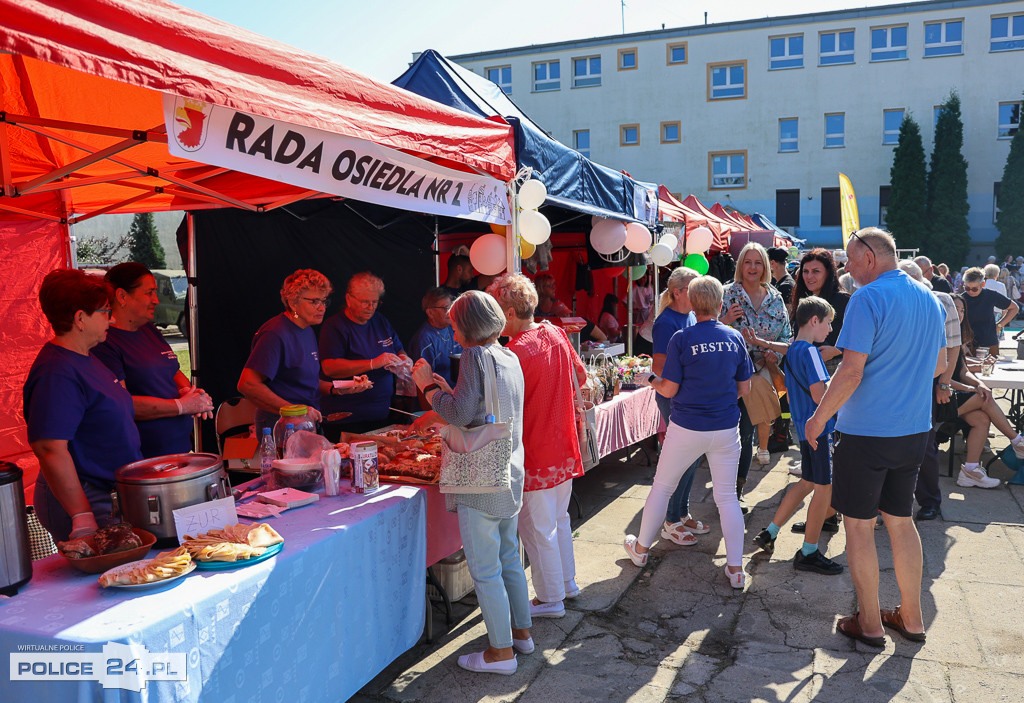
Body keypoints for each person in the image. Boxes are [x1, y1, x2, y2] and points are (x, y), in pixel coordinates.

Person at [806, 227, 945, 648]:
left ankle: (869, 623)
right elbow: (940, 365)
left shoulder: (868, 297)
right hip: (913, 429)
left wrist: (817, 418)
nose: (846, 268)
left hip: (868, 432)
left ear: (869, 257)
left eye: (849, 259)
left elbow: (850, 371)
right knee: (901, 523)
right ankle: (912, 616)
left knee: (860, 528)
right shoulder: (930, 297)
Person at [411, 290, 531, 675]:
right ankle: (521, 634)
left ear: (464, 325)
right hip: (509, 471)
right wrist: (447, 393)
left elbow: (462, 415)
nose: (452, 330)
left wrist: (427, 387)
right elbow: (482, 409)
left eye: (454, 323)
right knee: (510, 558)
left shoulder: (476, 356)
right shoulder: (508, 355)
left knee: (485, 569)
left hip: (482, 477)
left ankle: (500, 653)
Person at [624, 276, 754, 589]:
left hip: (687, 426)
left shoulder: (681, 338)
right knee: (726, 498)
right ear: (720, 304)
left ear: (693, 304)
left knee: (662, 486)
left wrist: (650, 380)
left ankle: (640, 550)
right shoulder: (734, 337)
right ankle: (735, 569)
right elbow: (744, 387)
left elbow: (668, 389)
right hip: (725, 428)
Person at [487, 273, 586, 620]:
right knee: (557, 520)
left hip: (536, 449)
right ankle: (565, 585)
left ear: (510, 312)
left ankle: (550, 598)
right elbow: (582, 377)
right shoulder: (555, 332)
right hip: (561, 444)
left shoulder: (513, 352)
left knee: (538, 527)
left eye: (495, 309)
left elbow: (495, 409)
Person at [24, 269, 142, 542]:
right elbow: (50, 449)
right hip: (87, 496)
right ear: (80, 318)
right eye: (104, 311)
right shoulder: (57, 372)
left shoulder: (85, 356)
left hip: (108, 492)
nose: (110, 319)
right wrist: (81, 515)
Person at [746, 297, 844, 575]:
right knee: (823, 489)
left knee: (807, 483)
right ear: (814, 320)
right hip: (820, 429)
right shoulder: (811, 353)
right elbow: (820, 395)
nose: (829, 330)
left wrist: (764, 343)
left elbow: (787, 350)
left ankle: (770, 532)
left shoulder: (796, 350)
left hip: (803, 428)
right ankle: (809, 552)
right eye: (827, 323)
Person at [93, 262, 212, 458]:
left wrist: (190, 393)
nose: (156, 300)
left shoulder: (147, 328)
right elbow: (122, 403)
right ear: (122, 296)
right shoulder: (105, 341)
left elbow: (172, 369)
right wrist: (181, 406)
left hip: (177, 448)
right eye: (149, 293)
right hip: (143, 455)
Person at [239, 269, 368, 437]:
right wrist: (294, 411)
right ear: (293, 302)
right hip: (281, 425)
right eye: (314, 301)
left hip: (304, 422)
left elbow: (302, 381)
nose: (322, 308)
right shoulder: (275, 334)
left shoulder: (306, 330)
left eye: (324, 301)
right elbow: (247, 385)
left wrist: (338, 388)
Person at [721, 242, 792, 497]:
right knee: (734, 431)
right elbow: (705, 328)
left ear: (766, 266)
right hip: (729, 376)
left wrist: (775, 352)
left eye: (758, 262)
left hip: (762, 373)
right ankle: (729, 486)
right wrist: (725, 320)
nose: (753, 267)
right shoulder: (727, 294)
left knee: (747, 429)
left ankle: (736, 488)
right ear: (741, 265)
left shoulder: (775, 298)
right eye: (748, 262)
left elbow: (788, 336)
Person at [650, 266, 713, 545]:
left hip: (687, 397)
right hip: (674, 397)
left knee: (691, 458)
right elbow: (660, 368)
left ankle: (681, 512)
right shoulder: (666, 322)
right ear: (678, 292)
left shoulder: (688, 316)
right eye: (692, 287)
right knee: (683, 459)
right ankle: (672, 520)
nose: (698, 291)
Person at [898, 260, 962, 521]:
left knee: (924, 443)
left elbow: (953, 345)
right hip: (894, 383)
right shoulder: (893, 301)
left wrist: (944, 382)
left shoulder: (942, 301)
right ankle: (889, 501)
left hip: (927, 383)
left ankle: (929, 501)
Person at [947, 294, 1024, 489]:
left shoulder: (956, 335)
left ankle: (970, 471)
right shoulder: (940, 336)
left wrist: (978, 383)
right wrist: (972, 387)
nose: (960, 313)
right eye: (955, 308)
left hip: (953, 396)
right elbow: (940, 377)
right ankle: (1017, 441)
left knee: (982, 418)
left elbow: (962, 370)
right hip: (938, 399)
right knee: (984, 397)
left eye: (963, 309)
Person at [319, 271, 406, 437]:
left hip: (381, 413)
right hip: (347, 418)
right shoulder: (334, 327)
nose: (370, 307)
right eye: (365, 302)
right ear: (349, 299)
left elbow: (398, 348)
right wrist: (372, 363)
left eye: (375, 302)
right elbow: (329, 367)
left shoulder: (380, 321)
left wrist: (404, 358)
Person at [790, 248, 849, 375]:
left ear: (828, 273)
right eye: (805, 271)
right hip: (805, 369)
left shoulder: (842, 300)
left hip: (835, 371)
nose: (809, 276)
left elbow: (859, 337)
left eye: (816, 271)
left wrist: (837, 350)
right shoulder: (803, 301)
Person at [408, 287, 462, 389]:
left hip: (456, 396)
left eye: (451, 307)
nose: (450, 311)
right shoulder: (424, 340)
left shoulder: (453, 328)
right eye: (445, 308)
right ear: (430, 313)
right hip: (437, 399)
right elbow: (422, 382)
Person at [961, 267, 1017, 358]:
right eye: (967, 288)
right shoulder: (961, 298)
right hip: (968, 343)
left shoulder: (991, 295)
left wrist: (999, 325)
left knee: (991, 369)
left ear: (983, 284)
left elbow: (1014, 308)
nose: (970, 292)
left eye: (975, 289)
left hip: (989, 342)